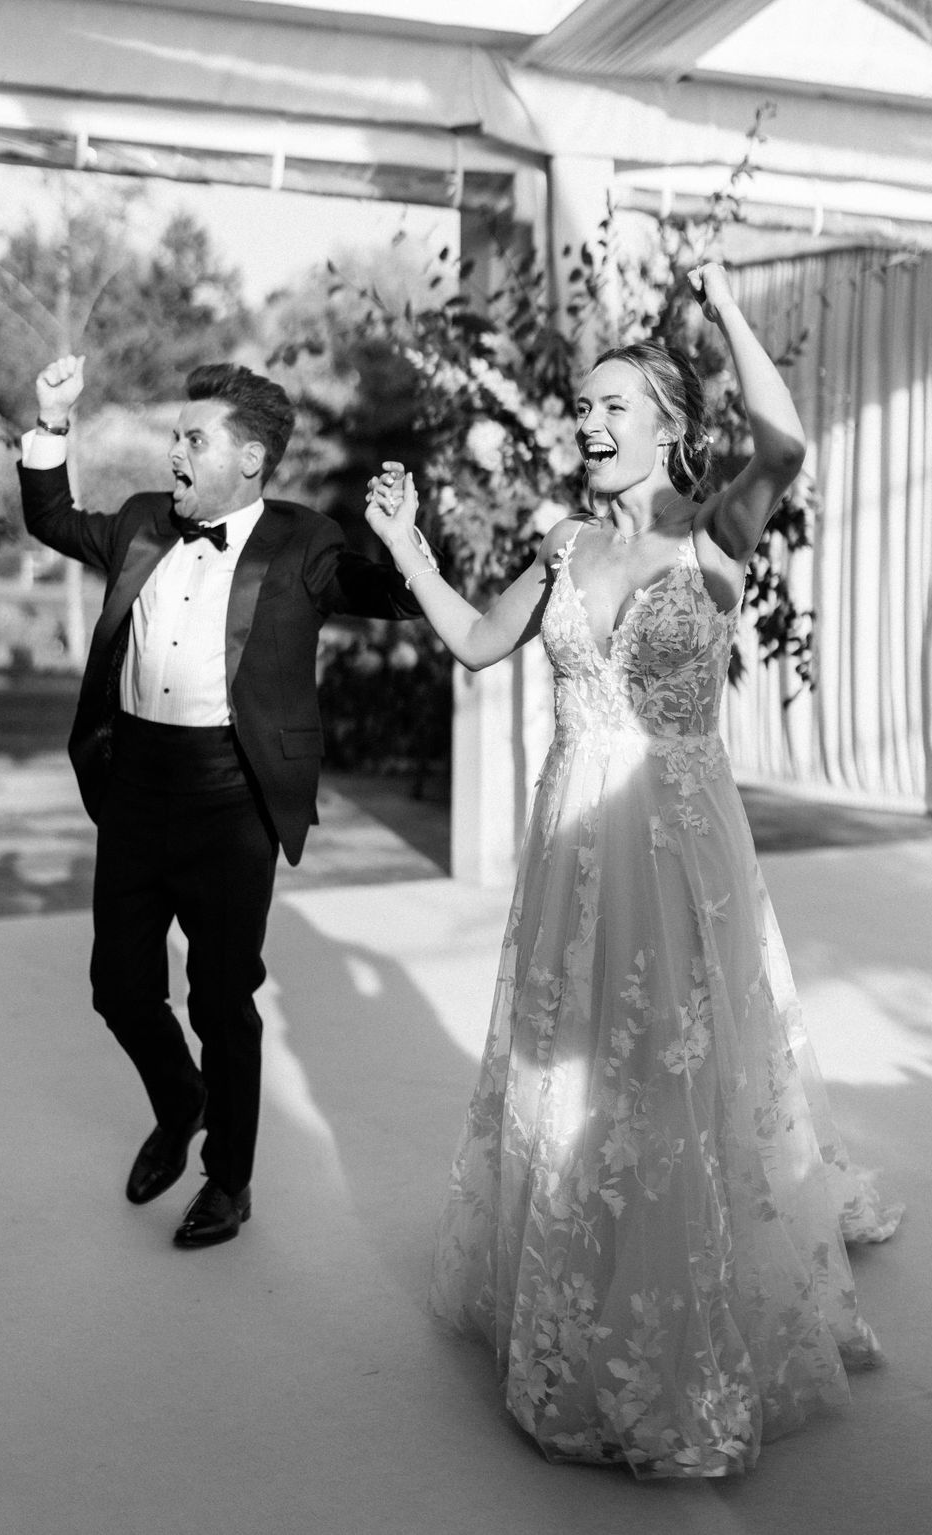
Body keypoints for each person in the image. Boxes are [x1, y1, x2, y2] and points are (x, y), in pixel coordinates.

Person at [366, 263, 901, 1476]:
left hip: (671, 839)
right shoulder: (560, 542)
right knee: (571, 1069)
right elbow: (472, 641)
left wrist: (719, 307)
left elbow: (787, 437)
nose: (587, 424)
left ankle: (679, 1338)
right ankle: (568, 1294)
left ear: (668, 422)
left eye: (612, 406)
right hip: (571, 848)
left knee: (668, 1070)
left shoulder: (710, 533)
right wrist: (404, 546)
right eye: (582, 408)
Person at [19, 354, 419, 1248]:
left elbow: (390, 597)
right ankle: (180, 1098)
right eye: (176, 436)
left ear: (249, 459)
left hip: (233, 794)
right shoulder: (138, 524)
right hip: (133, 783)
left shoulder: (303, 540)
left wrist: (404, 541)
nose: (175, 454)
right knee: (118, 986)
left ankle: (228, 1183)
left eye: (193, 439)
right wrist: (52, 421)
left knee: (220, 999)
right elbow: (48, 515)